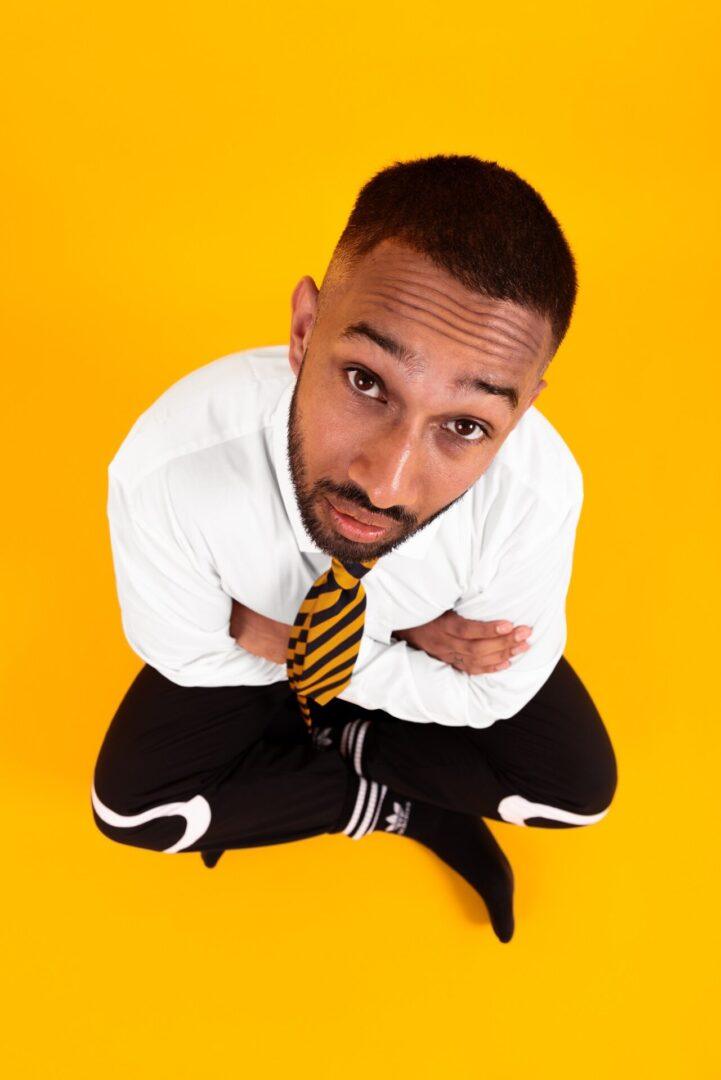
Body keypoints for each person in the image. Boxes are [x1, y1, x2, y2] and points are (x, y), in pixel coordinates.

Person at [90, 154, 617, 942]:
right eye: (367, 381)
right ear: (305, 330)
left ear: (520, 414)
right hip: (301, 666)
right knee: (134, 811)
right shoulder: (172, 467)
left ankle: (344, 738)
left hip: (280, 644)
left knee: (571, 796)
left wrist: (273, 635)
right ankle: (388, 802)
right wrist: (410, 635)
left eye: (465, 425)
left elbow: (493, 697)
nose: (387, 483)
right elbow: (191, 656)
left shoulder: (533, 493)